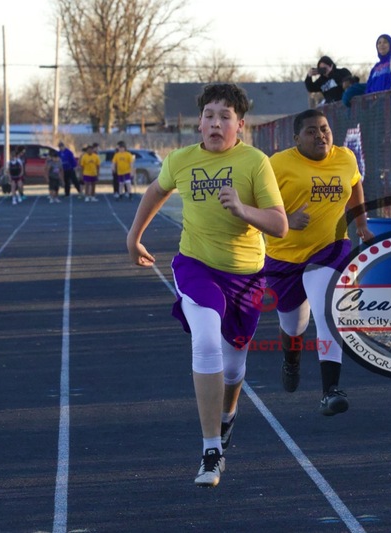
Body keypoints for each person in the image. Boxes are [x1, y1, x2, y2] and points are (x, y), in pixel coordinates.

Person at [126, 83, 287, 487]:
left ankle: (227, 415)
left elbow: (280, 225)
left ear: (240, 125)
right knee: (207, 341)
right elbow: (156, 191)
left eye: (225, 117)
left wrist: (244, 210)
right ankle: (211, 451)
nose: (216, 123)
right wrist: (134, 236)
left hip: (246, 276)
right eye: (209, 116)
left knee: (234, 367)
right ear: (199, 123)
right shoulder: (180, 160)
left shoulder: (255, 162)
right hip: (196, 266)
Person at [263, 108, 373, 416]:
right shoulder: (277, 164)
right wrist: (286, 219)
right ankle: (291, 359)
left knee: (327, 312)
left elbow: (355, 183)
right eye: (311, 131)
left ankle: (330, 390)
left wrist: (361, 223)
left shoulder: (345, 158)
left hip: (330, 248)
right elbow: (256, 204)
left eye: (324, 129)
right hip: (284, 256)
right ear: (296, 138)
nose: (320, 136)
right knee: (293, 326)